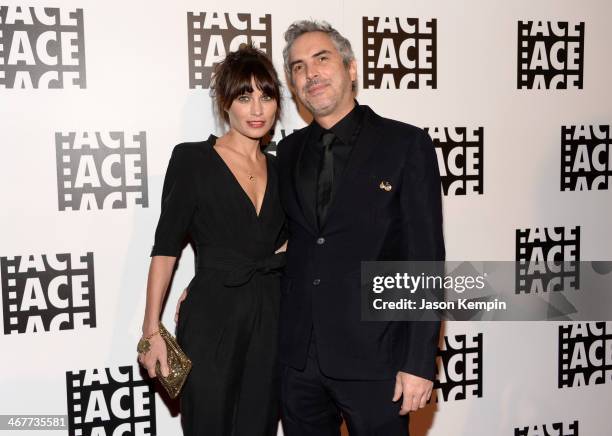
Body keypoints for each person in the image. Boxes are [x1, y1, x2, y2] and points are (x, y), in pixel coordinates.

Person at [276, 20, 445, 435]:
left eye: (321, 59)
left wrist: (419, 363)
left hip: (378, 361)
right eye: (298, 67)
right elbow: (283, 241)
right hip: (299, 363)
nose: (310, 73)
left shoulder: (406, 144)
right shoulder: (288, 151)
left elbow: (425, 257)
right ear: (293, 84)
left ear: (351, 69)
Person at [137, 45, 287, 436]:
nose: (257, 109)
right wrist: (151, 329)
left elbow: (302, 238)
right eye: (244, 96)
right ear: (225, 103)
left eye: (266, 95)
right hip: (213, 316)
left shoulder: (282, 167)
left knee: (260, 426)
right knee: (208, 424)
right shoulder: (192, 161)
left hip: (271, 316)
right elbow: (166, 246)